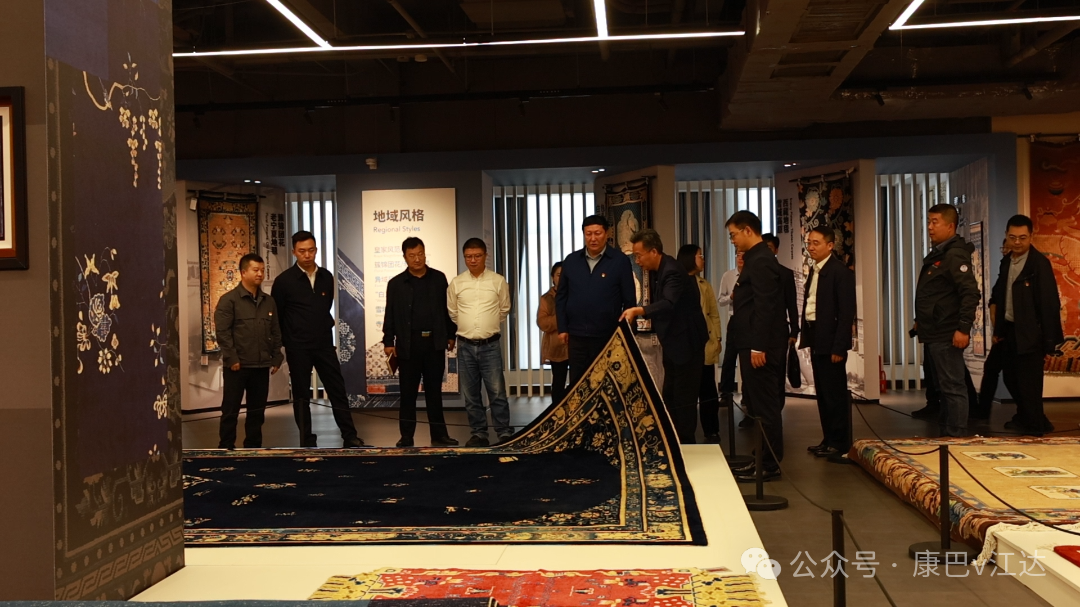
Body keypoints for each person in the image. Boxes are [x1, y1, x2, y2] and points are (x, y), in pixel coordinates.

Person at [272, 231, 366, 448]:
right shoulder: (284, 281)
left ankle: (350, 436)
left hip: (324, 344)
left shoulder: (326, 276)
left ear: (316, 250)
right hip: (297, 346)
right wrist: (286, 342)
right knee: (301, 395)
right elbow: (278, 316)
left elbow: (325, 307)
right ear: (294, 252)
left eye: (311, 250)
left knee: (337, 389)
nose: (307, 255)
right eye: (302, 251)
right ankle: (307, 439)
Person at [620, 230, 708, 443]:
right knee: (670, 394)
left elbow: (668, 303)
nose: (637, 261)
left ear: (653, 251)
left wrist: (639, 310)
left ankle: (686, 444)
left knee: (683, 398)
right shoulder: (659, 270)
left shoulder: (672, 271)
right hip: (673, 343)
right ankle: (673, 440)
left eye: (639, 255)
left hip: (686, 344)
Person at [724, 211, 788, 481]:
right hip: (750, 342)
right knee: (759, 407)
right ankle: (761, 458)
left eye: (734, 235)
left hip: (760, 346)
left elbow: (766, 306)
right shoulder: (755, 258)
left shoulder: (761, 260)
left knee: (766, 407)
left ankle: (770, 464)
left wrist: (758, 346)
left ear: (748, 230)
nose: (733, 241)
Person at [382, 237, 459, 448]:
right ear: (405, 257)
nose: (417, 259)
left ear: (425, 253)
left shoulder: (439, 278)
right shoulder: (396, 284)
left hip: (434, 343)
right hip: (408, 345)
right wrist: (388, 341)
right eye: (412, 255)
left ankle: (439, 435)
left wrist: (450, 335)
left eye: (420, 254)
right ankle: (406, 436)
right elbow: (390, 314)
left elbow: (447, 310)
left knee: (434, 392)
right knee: (408, 394)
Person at [991, 214, 1064, 435]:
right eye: (1013, 237)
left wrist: (1049, 341)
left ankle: (1035, 428)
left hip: (1032, 333)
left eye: (1022, 237)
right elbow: (1000, 296)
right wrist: (998, 329)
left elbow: (1050, 303)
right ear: (1006, 235)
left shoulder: (1038, 264)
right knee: (1011, 377)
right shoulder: (1007, 261)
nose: (1017, 242)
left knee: (1029, 384)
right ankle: (1028, 418)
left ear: (1031, 236)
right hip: (1009, 330)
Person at [913, 204, 980, 438]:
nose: (930, 227)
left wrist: (963, 328)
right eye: (928, 221)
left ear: (950, 226)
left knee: (953, 387)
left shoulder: (954, 255)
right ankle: (946, 436)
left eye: (935, 222)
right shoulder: (940, 253)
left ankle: (956, 437)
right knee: (944, 388)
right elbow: (936, 293)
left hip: (947, 332)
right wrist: (920, 320)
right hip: (934, 331)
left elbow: (970, 293)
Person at [556, 215, 636, 387]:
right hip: (576, 335)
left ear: (607, 234)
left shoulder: (619, 261)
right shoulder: (571, 261)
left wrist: (626, 332)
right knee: (578, 383)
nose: (593, 238)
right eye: (588, 234)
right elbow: (561, 296)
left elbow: (629, 299)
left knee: (606, 382)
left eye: (597, 233)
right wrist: (562, 328)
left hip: (608, 335)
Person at [448, 238, 513, 447]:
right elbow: (453, 312)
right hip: (465, 346)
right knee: (471, 394)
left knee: (497, 392)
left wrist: (486, 326)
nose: (473, 260)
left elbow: (504, 309)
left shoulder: (498, 281)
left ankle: (504, 432)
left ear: (485, 256)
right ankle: (479, 433)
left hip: (490, 345)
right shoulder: (457, 283)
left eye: (477, 256)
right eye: (468, 256)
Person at [214, 253, 283, 449]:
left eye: (262, 270)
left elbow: (275, 331)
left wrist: (276, 356)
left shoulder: (268, 301)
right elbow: (223, 333)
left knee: (257, 412)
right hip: (237, 366)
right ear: (243, 272)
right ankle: (226, 447)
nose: (260, 274)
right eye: (255, 270)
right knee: (231, 409)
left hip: (261, 366)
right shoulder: (229, 300)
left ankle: (253, 447)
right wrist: (232, 358)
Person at [798, 227, 856, 459]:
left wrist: (839, 346)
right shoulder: (815, 269)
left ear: (830, 245)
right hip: (816, 337)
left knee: (834, 394)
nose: (811, 247)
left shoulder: (839, 272)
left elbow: (846, 313)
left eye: (816, 243)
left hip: (832, 341)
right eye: (809, 243)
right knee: (822, 393)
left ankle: (839, 442)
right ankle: (828, 438)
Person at [676, 244, 723, 443]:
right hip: (685, 346)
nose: (702, 259)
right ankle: (685, 433)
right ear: (689, 259)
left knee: (708, 389)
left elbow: (713, 313)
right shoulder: (676, 283)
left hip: (705, 343)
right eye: (699, 256)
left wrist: (718, 338)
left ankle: (711, 430)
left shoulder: (704, 284)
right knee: (687, 392)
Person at [971, 238, 1012, 421]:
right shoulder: (1004, 270)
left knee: (1009, 375)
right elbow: (994, 301)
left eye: (1008, 248)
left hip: (1013, 334)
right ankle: (983, 410)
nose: (1005, 251)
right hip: (1002, 333)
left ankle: (983, 411)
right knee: (992, 369)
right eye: (1004, 248)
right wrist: (997, 330)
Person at [717, 252, 744, 423]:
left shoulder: (753, 274)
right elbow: (720, 300)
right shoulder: (728, 276)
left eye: (743, 255)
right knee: (729, 357)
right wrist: (731, 297)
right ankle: (726, 394)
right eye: (738, 255)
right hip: (734, 319)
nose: (740, 258)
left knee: (747, 358)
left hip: (749, 318)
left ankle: (748, 395)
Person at [537, 262, 570, 404]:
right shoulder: (546, 298)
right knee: (558, 381)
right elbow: (542, 323)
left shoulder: (577, 294)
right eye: (558, 275)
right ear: (552, 277)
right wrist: (563, 317)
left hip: (576, 345)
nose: (561, 278)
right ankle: (556, 411)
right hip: (556, 346)